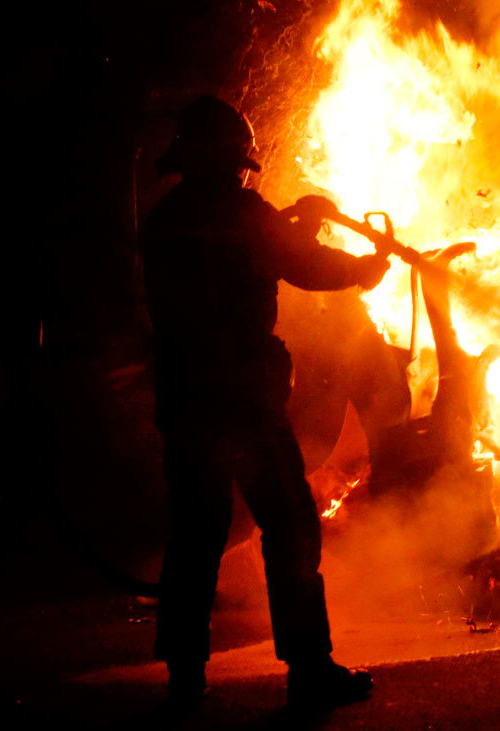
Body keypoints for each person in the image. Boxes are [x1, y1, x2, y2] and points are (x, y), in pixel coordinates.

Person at [139, 95, 389, 708]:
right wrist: (368, 266)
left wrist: (295, 228)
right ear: (232, 159)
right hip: (245, 402)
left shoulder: (166, 220)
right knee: (290, 525)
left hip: (187, 398)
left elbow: (256, 252)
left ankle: (184, 675)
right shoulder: (244, 213)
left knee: (196, 531)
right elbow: (304, 265)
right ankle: (309, 668)